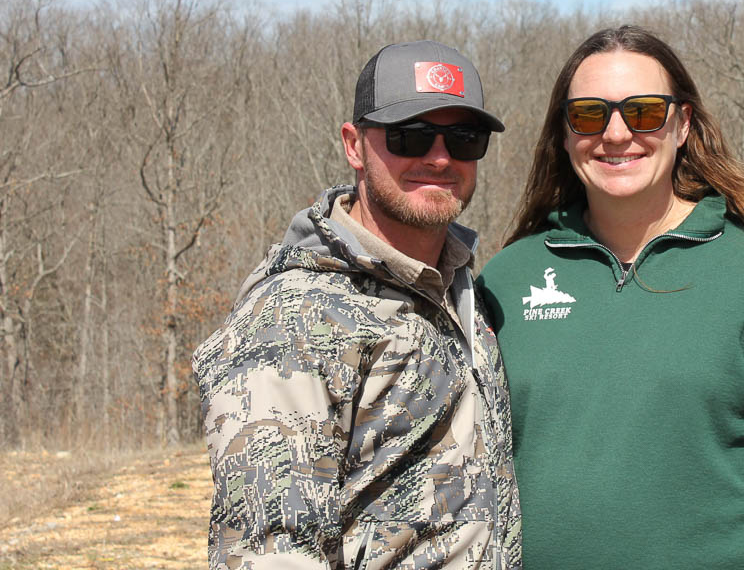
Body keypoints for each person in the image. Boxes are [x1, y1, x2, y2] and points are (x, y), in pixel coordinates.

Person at [476, 25, 744, 569]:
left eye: (643, 112)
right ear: (565, 134)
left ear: (682, 123)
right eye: (589, 115)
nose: (616, 134)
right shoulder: (506, 280)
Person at [193, 40, 522, 570]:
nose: (440, 157)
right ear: (354, 145)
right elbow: (270, 553)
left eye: (465, 139)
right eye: (410, 134)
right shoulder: (294, 317)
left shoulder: (461, 290)